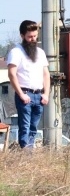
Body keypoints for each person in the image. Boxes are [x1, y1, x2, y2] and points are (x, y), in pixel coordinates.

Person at [6, 20, 50, 149]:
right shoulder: (16, 52)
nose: (33, 39)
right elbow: (11, 74)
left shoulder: (40, 53)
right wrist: (21, 94)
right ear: (22, 36)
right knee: (24, 126)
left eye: (35, 36)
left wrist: (46, 94)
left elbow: (46, 74)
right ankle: (25, 152)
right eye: (30, 36)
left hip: (39, 95)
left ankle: (29, 151)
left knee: (34, 127)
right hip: (25, 94)